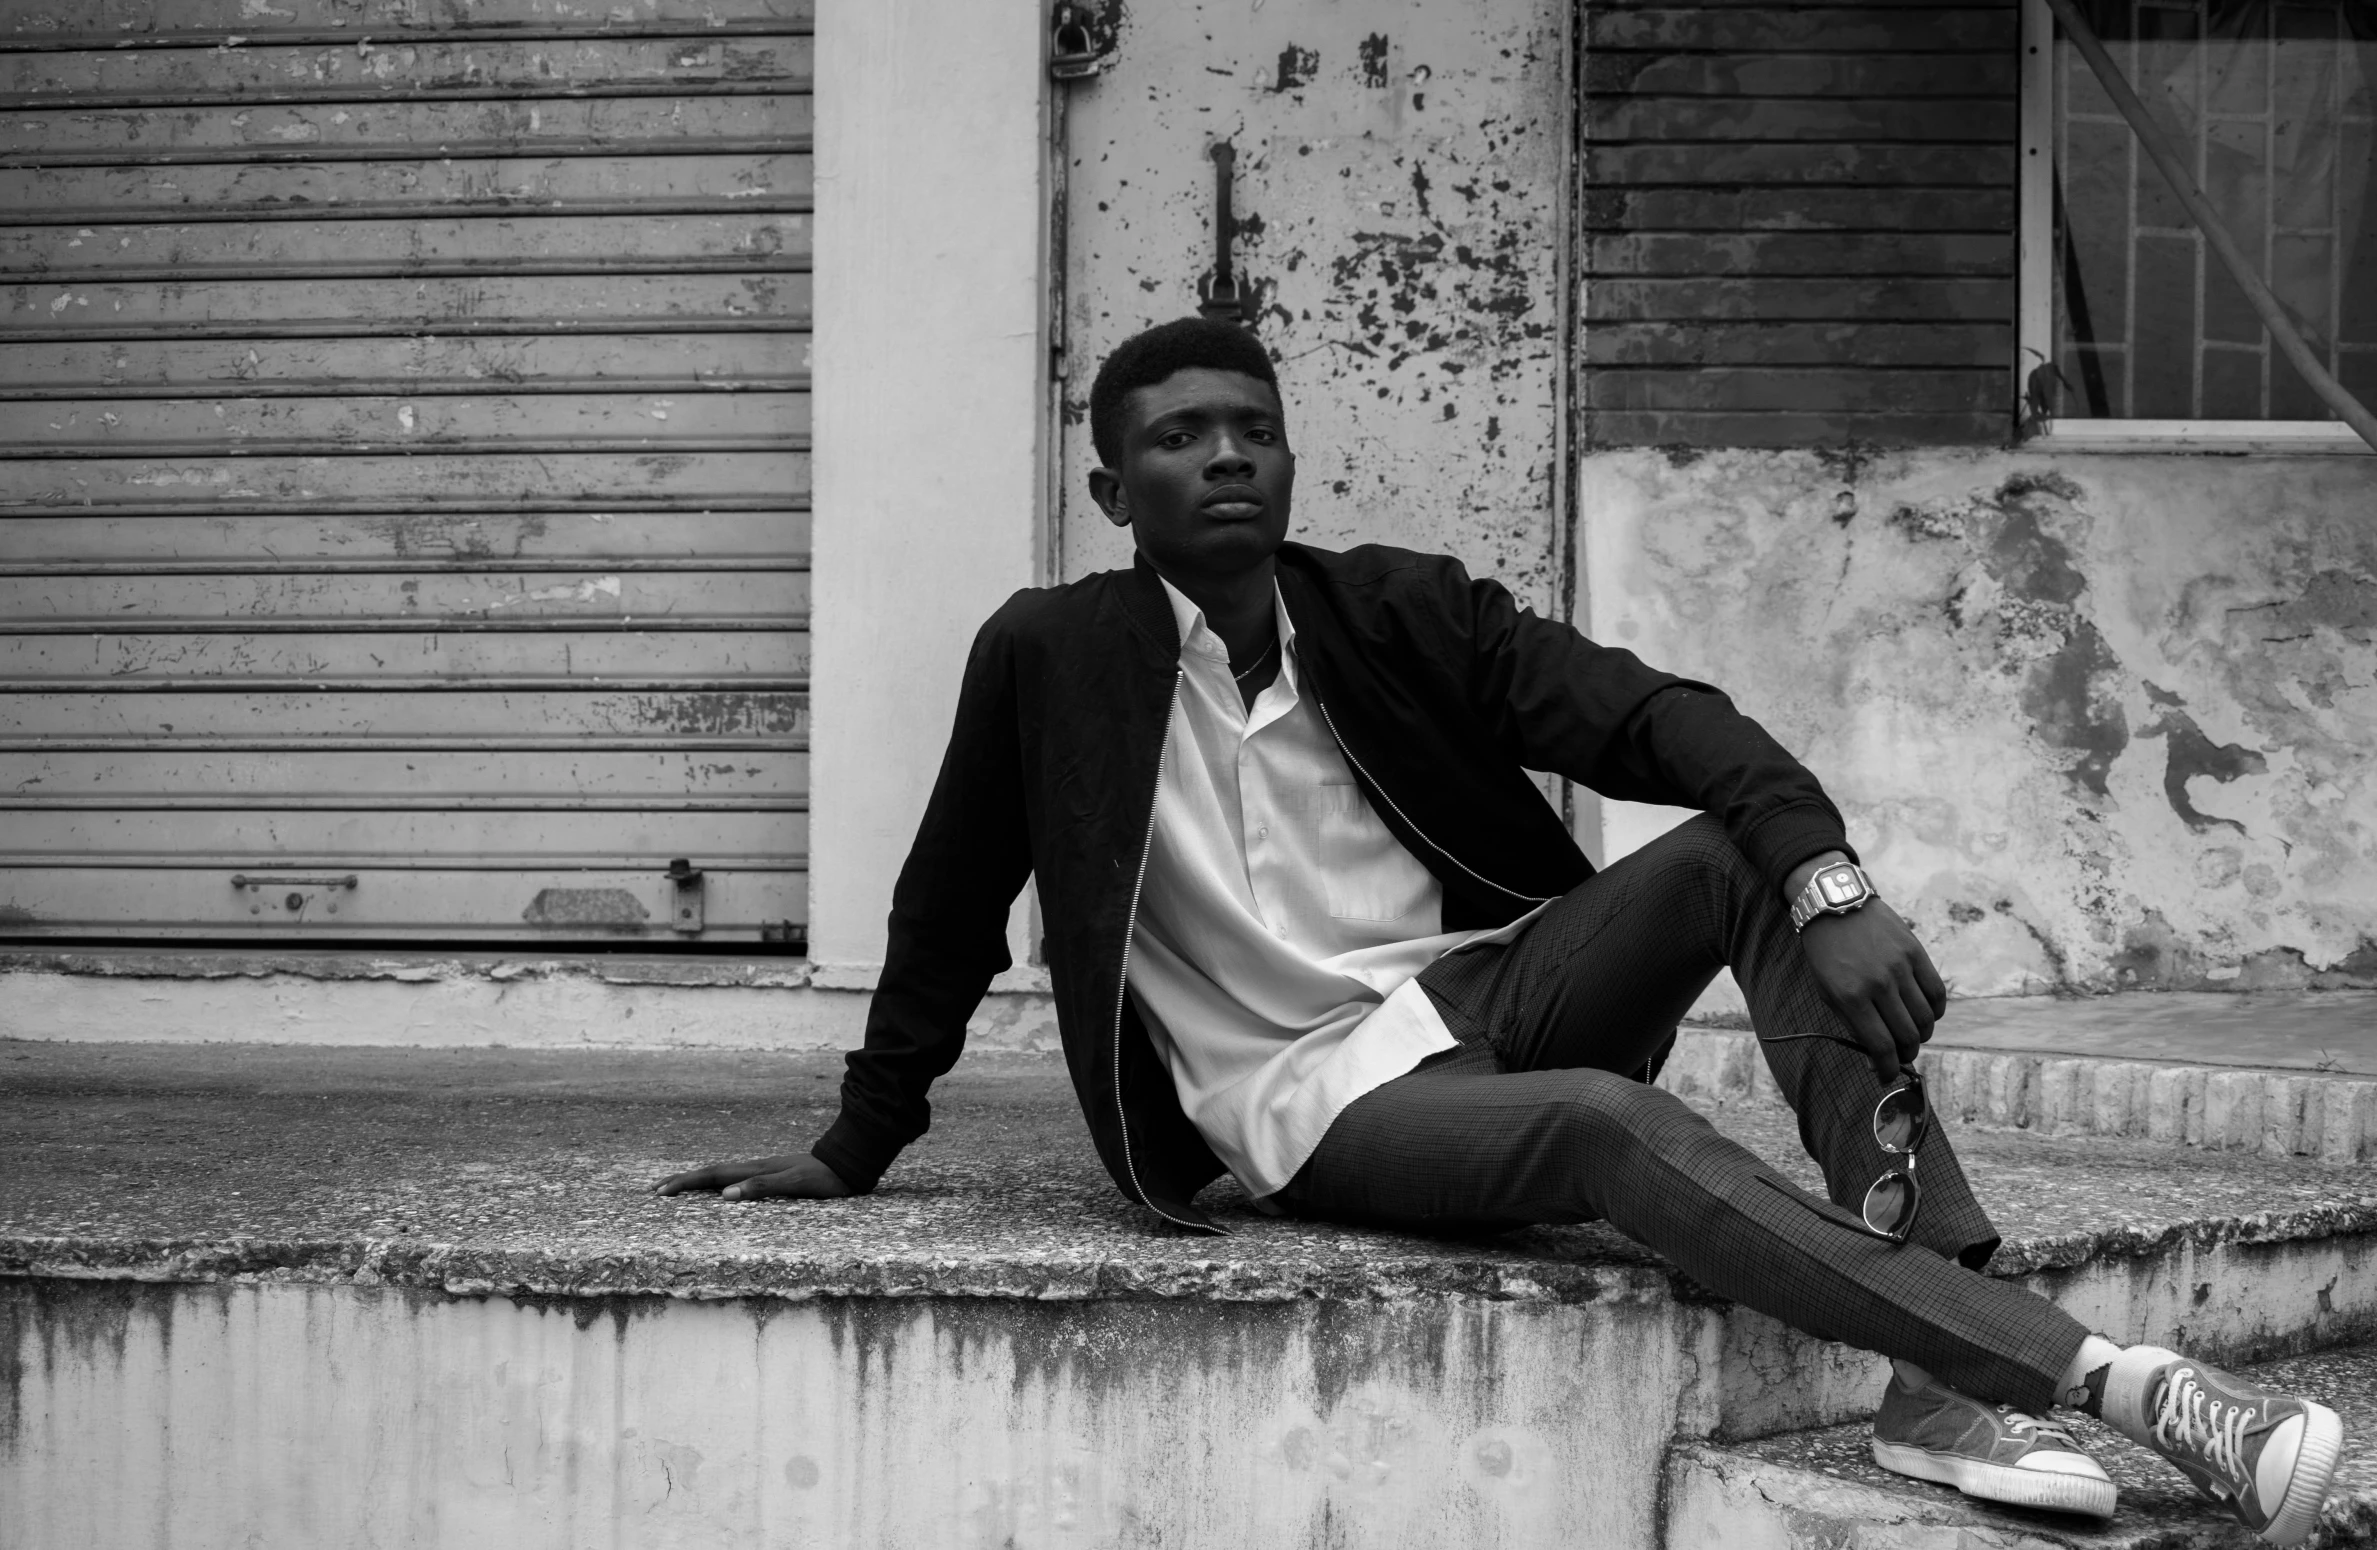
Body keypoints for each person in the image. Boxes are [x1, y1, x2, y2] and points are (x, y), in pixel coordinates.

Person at [659, 317, 2343, 1544]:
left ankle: (1939, 1371)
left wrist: (1829, 883)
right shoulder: (1047, 657)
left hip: (1486, 995)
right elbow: (948, 901)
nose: (1224, 451)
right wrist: (856, 1140)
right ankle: (2119, 1385)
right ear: (1114, 486)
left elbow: (1662, 717)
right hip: (1316, 1103)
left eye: (1250, 423)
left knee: (1734, 861)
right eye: (1176, 436)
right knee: (1614, 1129)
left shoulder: (1396, 608)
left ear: (1292, 456)